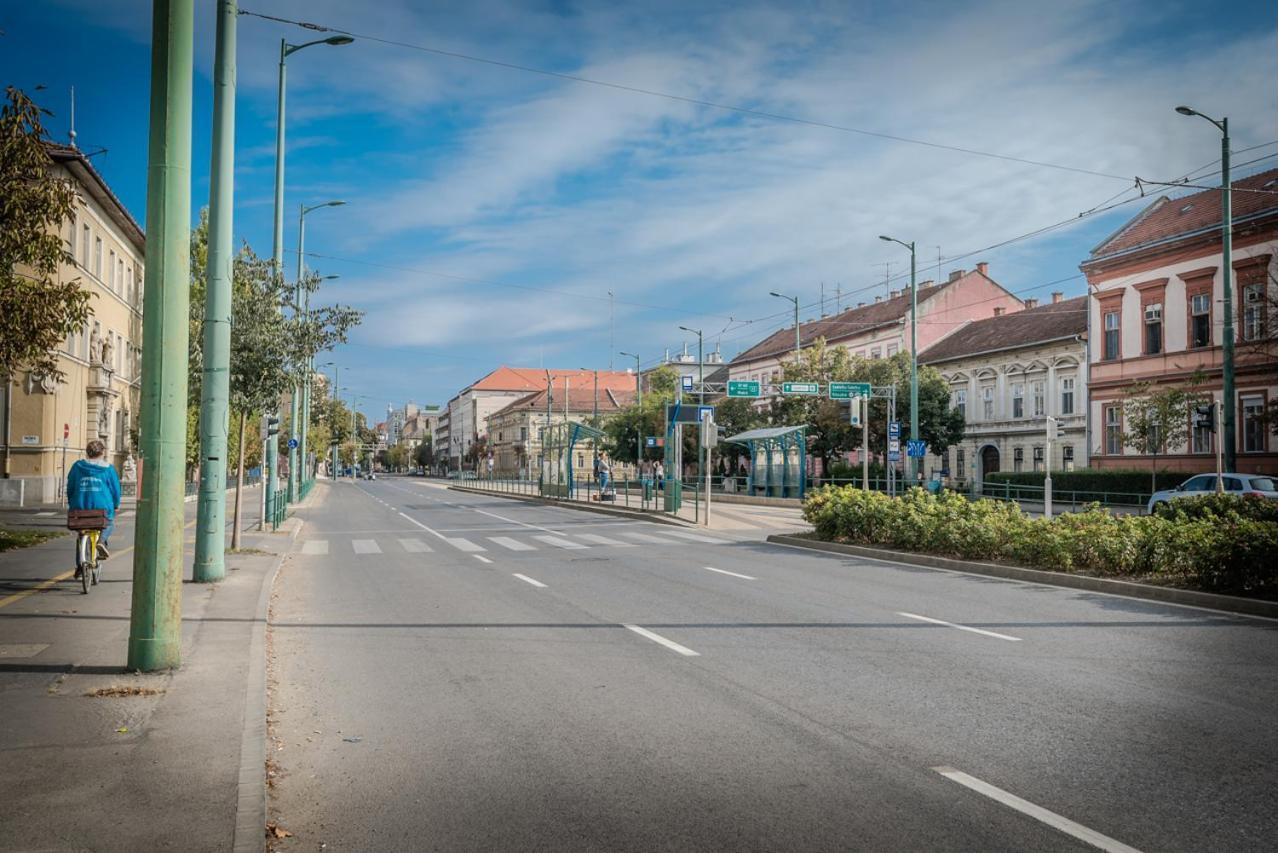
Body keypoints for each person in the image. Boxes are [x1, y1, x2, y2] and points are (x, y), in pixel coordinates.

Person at [67, 439, 121, 564]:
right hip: (102, 508)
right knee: (109, 523)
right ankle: (101, 541)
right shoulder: (108, 469)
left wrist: (72, 502)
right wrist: (116, 504)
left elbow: (70, 486)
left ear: (87, 452)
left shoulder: (77, 466)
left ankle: (80, 567)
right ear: (102, 453)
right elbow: (115, 490)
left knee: (81, 534)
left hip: (80, 507)